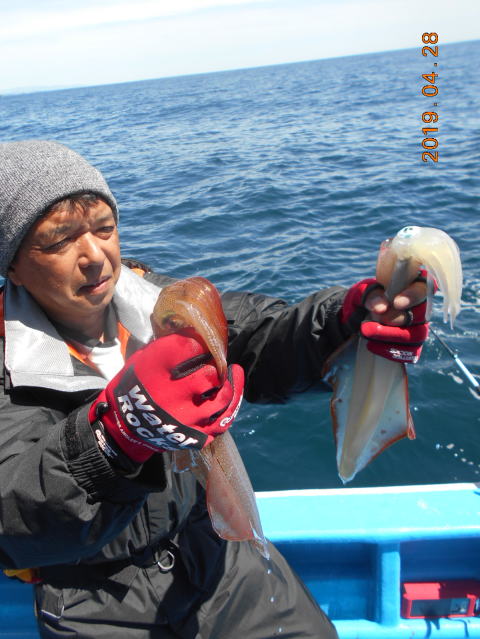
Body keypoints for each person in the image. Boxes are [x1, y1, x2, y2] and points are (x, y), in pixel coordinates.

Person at [0, 140, 429, 639]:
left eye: (105, 228)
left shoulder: (160, 301)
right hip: (93, 599)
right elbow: (12, 514)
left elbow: (256, 337)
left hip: (220, 557)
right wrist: (114, 436)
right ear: (13, 265)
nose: (95, 257)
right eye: (59, 241)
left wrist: (344, 323)